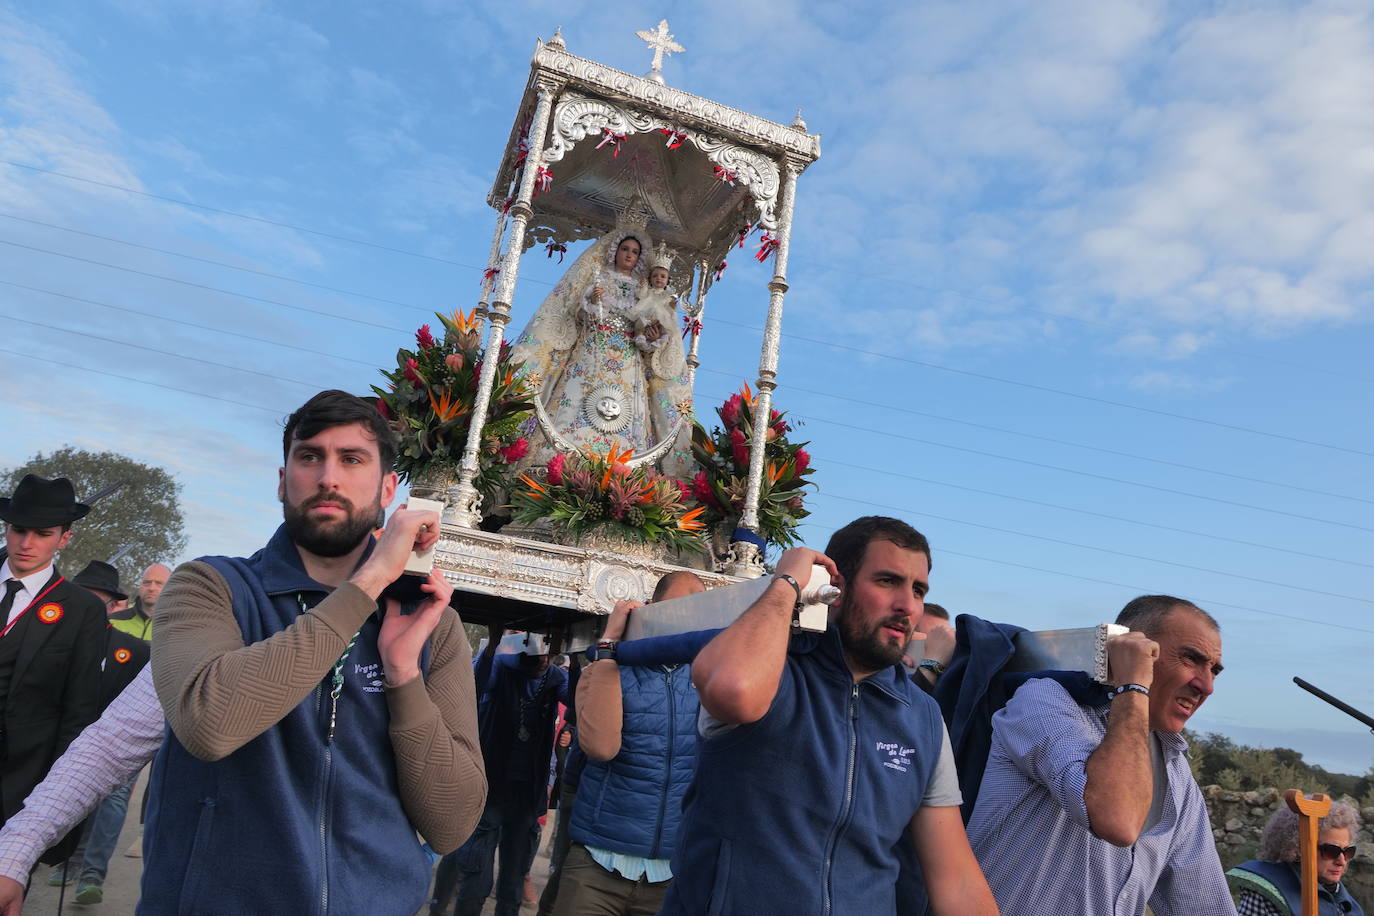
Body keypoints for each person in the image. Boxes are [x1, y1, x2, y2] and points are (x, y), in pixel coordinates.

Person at [144, 389, 487, 915]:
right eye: (310, 457)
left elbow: (452, 822)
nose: (329, 477)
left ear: (389, 489)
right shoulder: (210, 587)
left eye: (352, 459)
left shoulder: (433, 627)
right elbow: (209, 723)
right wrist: (369, 583)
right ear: (283, 480)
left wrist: (402, 674)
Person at [662, 516, 998, 915]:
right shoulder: (773, 671)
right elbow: (731, 689)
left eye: (918, 589)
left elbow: (955, 878)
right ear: (835, 587)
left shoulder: (922, 717)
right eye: (887, 581)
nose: (907, 604)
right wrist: (787, 583)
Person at [967, 594, 1234, 915]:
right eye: (1191, 658)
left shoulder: (1177, 774)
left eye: (1214, 669)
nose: (1206, 686)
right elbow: (1116, 819)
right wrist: (1133, 685)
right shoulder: (1045, 701)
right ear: (1132, 648)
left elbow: (1204, 905)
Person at [550, 570, 705, 916]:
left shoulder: (709, 676)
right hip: (597, 866)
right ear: (649, 609)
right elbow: (600, 746)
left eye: (695, 612)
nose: (683, 622)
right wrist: (610, 643)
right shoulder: (608, 668)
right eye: (674, 610)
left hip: (671, 875)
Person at [510, 218, 693, 477]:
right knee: (575, 401)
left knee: (628, 410)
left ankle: (624, 470)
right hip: (593, 349)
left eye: (635, 252)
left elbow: (649, 325)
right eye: (625, 249)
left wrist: (652, 335)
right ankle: (556, 464)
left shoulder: (644, 290)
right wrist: (592, 302)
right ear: (614, 251)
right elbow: (580, 313)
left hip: (629, 358)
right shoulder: (598, 278)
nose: (629, 255)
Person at [0, 475, 106, 866]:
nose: (27, 544)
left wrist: (55, 808)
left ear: (64, 539)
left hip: (17, 791)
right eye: (19, 530)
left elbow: (78, 712)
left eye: (42, 533)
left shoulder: (82, 610)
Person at [433, 630, 570, 916]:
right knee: (474, 876)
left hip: (524, 795)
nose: (541, 658)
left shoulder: (555, 678)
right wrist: (494, 646)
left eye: (547, 650)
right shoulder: (498, 667)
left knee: (513, 881)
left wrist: (575, 655)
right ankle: (442, 905)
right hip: (490, 789)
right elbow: (477, 683)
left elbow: (577, 703)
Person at [46, 561, 150, 903]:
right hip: (55, 742)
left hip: (113, 742)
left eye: (98, 600)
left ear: (114, 606)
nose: (89, 606)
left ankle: (90, 874)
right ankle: (63, 858)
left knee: (111, 800)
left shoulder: (133, 650)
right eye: (83, 597)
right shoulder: (47, 640)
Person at [1227, 801, 1363, 915]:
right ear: (1298, 849)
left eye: (1348, 851)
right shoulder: (1268, 893)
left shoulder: (1343, 900)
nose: (1342, 861)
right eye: (1331, 851)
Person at [109, 563, 169, 641]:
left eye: (159, 583)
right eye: (147, 582)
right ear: (140, 586)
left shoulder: (180, 626)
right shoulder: (112, 621)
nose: (151, 588)